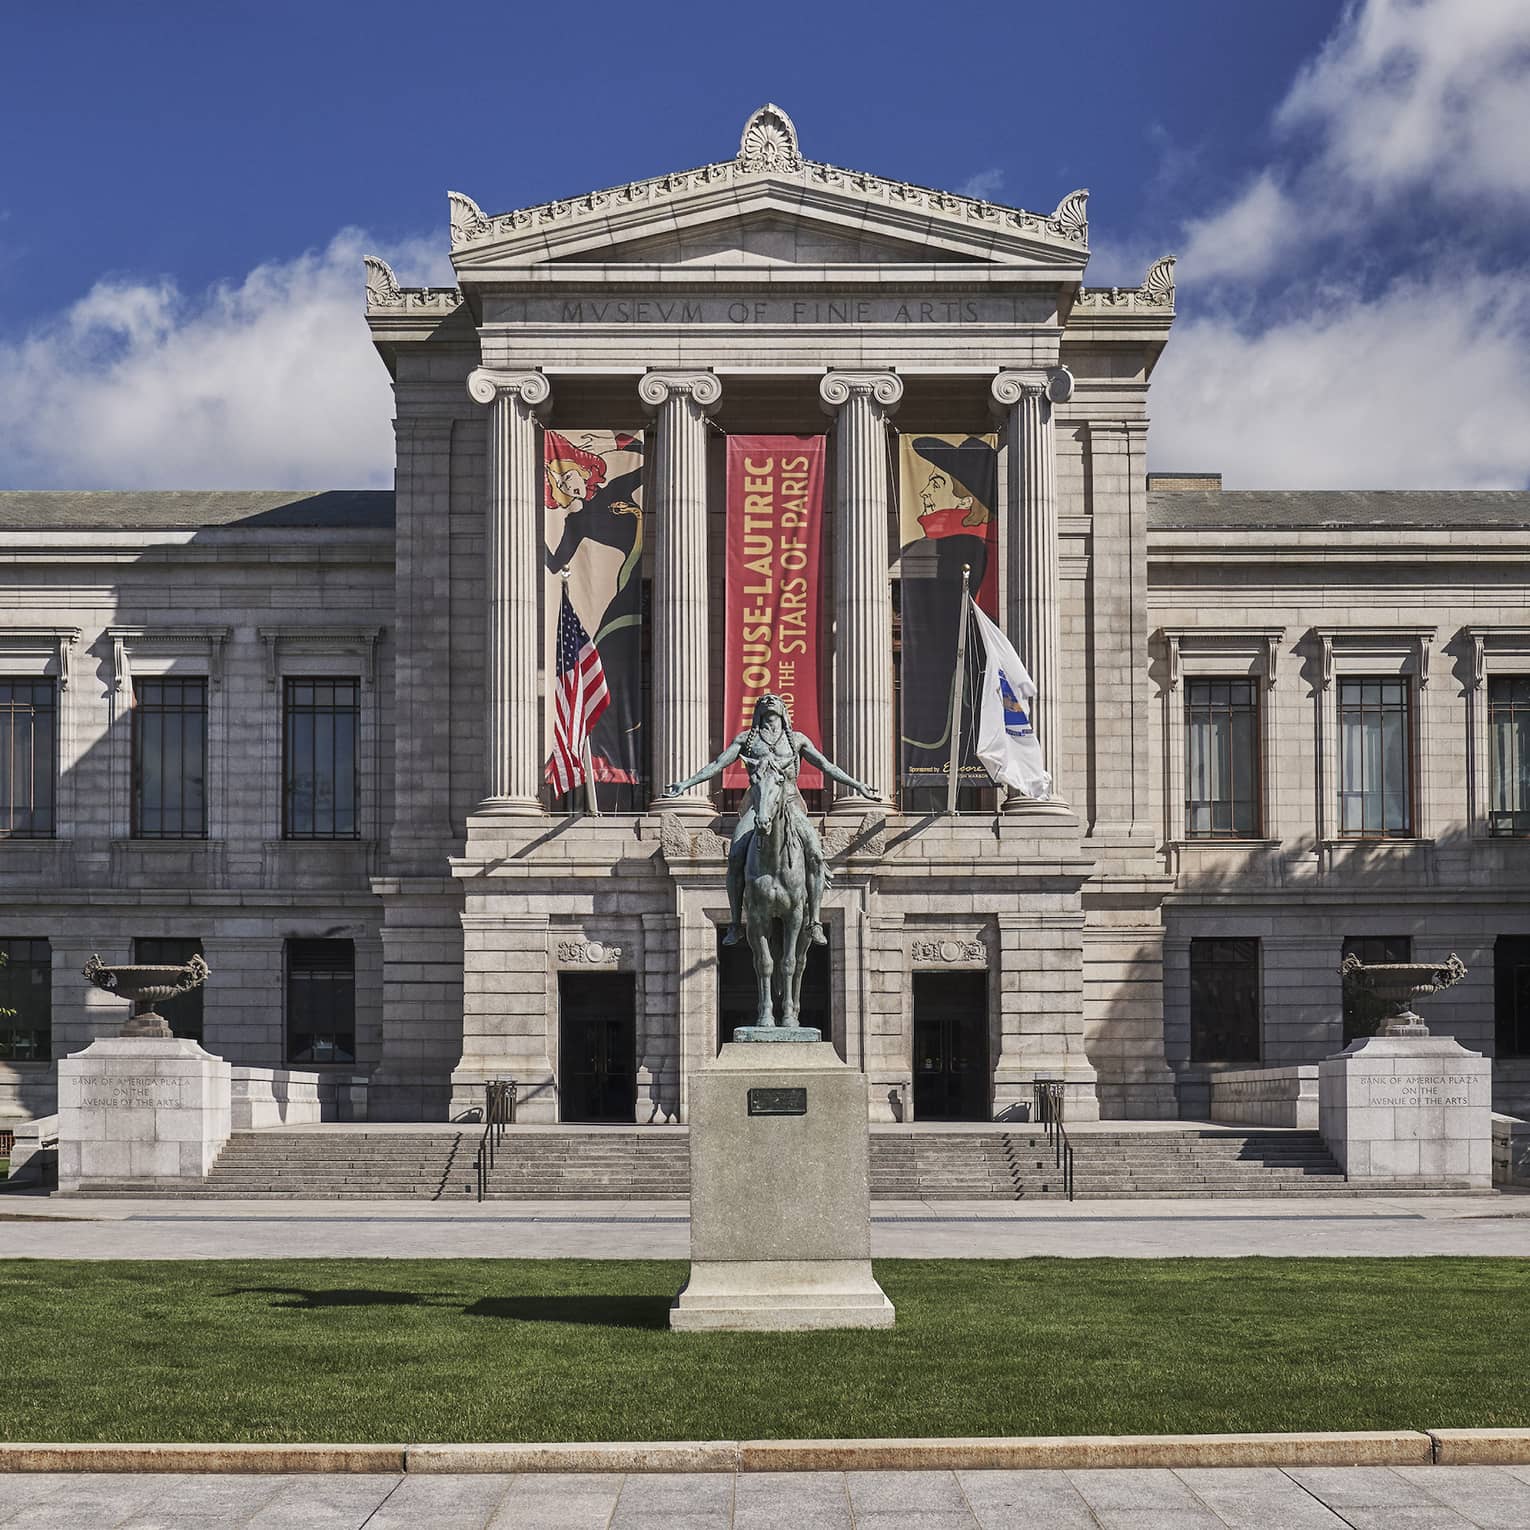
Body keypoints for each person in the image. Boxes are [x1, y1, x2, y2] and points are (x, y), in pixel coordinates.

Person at [663, 693, 879, 947]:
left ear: (783, 711)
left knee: (816, 855)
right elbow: (718, 763)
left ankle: (815, 922)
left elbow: (825, 765)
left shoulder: (796, 740)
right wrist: (686, 784)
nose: (769, 700)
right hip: (757, 808)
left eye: (774, 700)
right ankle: (735, 923)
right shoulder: (747, 740)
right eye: (764, 700)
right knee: (734, 856)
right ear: (758, 712)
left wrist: (857, 786)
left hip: (789, 804)